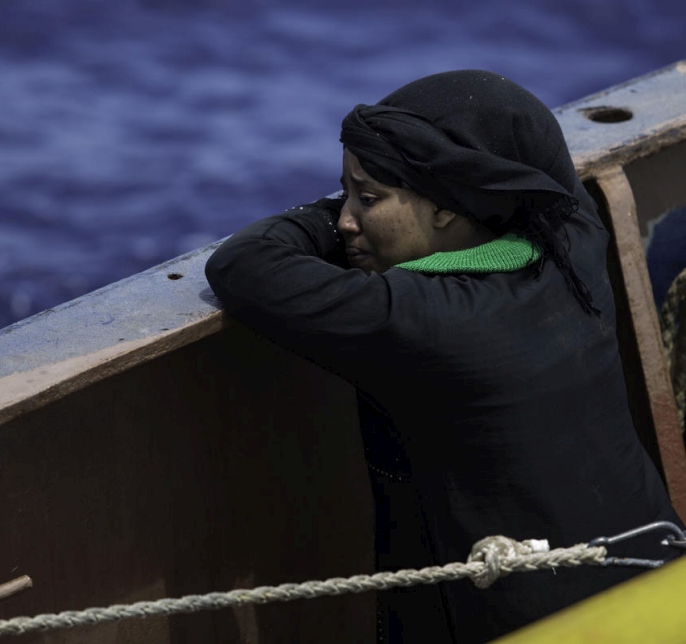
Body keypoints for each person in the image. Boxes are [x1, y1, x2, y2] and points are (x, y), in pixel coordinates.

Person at [204, 70, 684, 643]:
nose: (347, 220)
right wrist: (378, 187)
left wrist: (321, 215)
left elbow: (245, 264)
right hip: (661, 580)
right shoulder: (575, 241)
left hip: (554, 626)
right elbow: (538, 145)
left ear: (448, 208)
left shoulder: (423, 318)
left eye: (369, 197)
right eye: (346, 195)